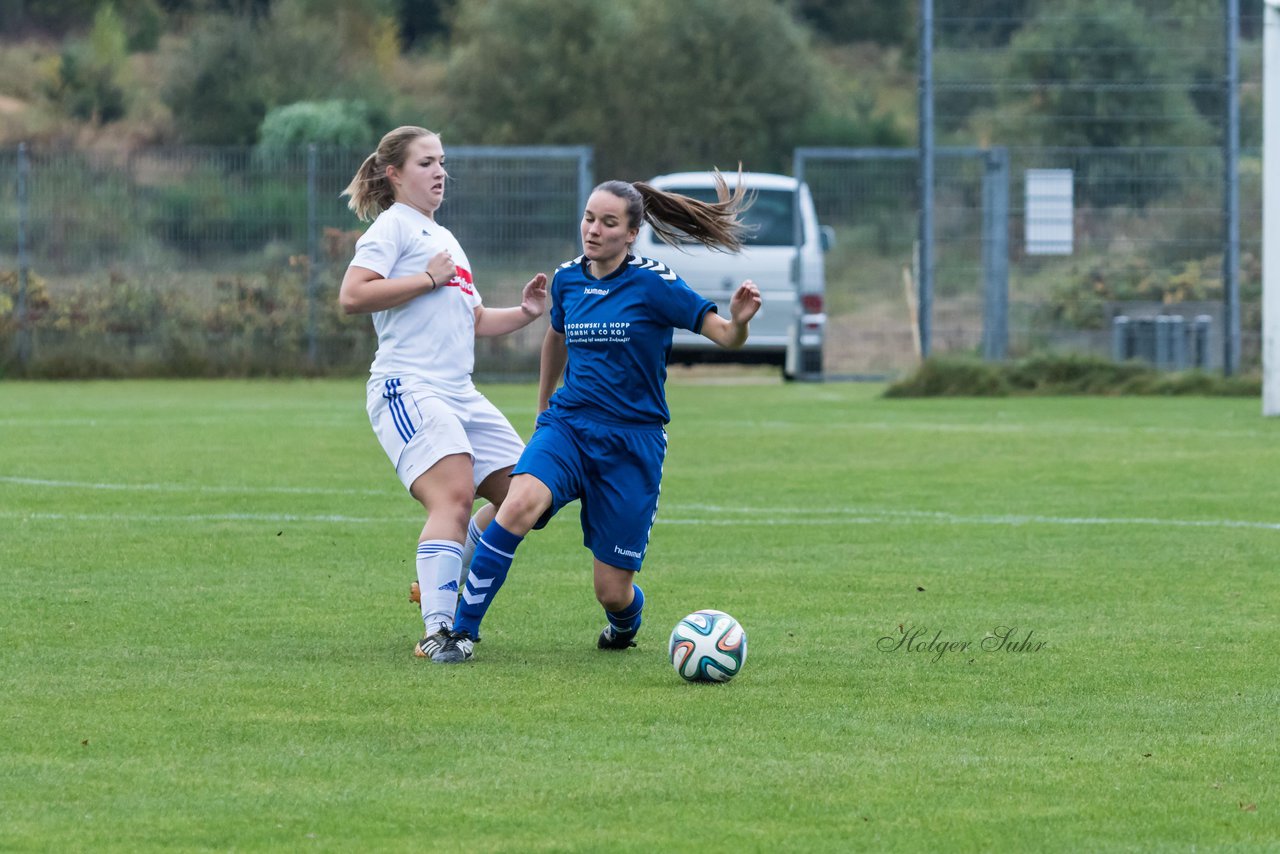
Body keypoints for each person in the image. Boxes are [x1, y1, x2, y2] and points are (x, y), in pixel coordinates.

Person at [430, 169, 762, 663]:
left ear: (631, 234)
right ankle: (460, 634)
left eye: (608, 223)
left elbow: (724, 336)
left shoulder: (654, 283)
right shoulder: (567, 279)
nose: (593, 229)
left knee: (612, 590)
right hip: (568, 426)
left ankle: (624, 625)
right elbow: (555, 338)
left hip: (632, 443)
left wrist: (738, 322)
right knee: (519, 503)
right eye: (588, 218)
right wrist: (544, 410)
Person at [339, 126, 548, 659]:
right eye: (426, 163)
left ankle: (442, 573)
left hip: (460, 392)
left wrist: (525, 313)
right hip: (407, 385)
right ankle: (438, 631)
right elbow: (353, 295)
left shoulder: (446, 238)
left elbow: (474, 318)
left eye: (442, 163)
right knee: (453, 494)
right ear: (394, 173)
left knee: (531, 497)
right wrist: (428, 280)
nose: (439, 173)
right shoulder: (394, 227)